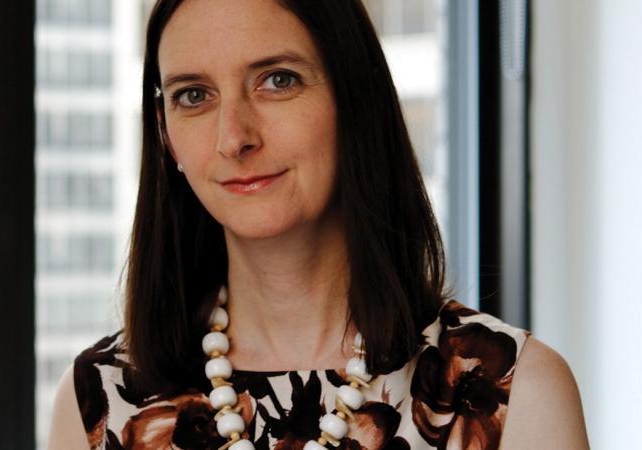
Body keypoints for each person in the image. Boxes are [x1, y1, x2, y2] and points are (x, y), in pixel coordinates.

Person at [48, 0, 589, 449]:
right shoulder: (97, 400)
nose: (233, 137)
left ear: (354, 99)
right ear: (166, 135)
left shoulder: (515, 391)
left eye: (277, 80)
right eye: (194, 95)